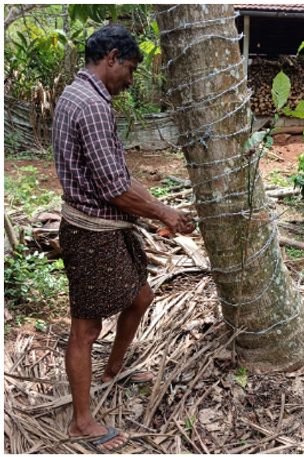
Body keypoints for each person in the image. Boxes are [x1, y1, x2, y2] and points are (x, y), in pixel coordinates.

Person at [53, 24, 195, 452]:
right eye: (130, 68)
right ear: (111, 58)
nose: (131, 80)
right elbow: (115, 188)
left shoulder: (75, 95)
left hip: (103, 227)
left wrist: (150, 206)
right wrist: (162, 211)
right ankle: (81, 422)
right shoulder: (93, 107)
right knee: (86, 326)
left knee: (140, 297)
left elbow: (114, 178)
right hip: (91, 233)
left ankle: (114, 369)